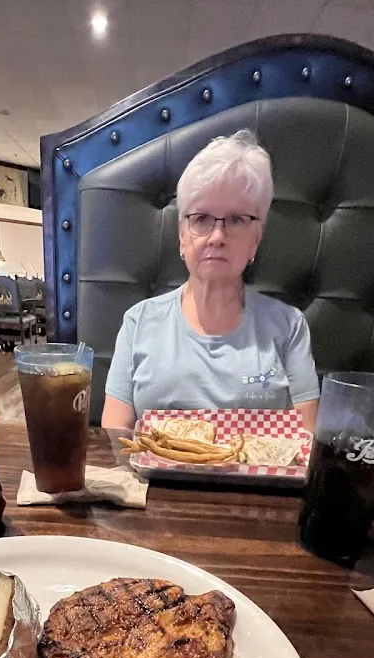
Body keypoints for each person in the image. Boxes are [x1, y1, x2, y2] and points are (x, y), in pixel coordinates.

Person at [101, 130, 320, 432]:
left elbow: (306, 439)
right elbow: (116, 434)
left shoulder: (289, 327)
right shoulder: (138, 322)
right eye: (202, 218)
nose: (217, 237)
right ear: (182, 235)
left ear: (256, 238)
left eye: (236, 220)